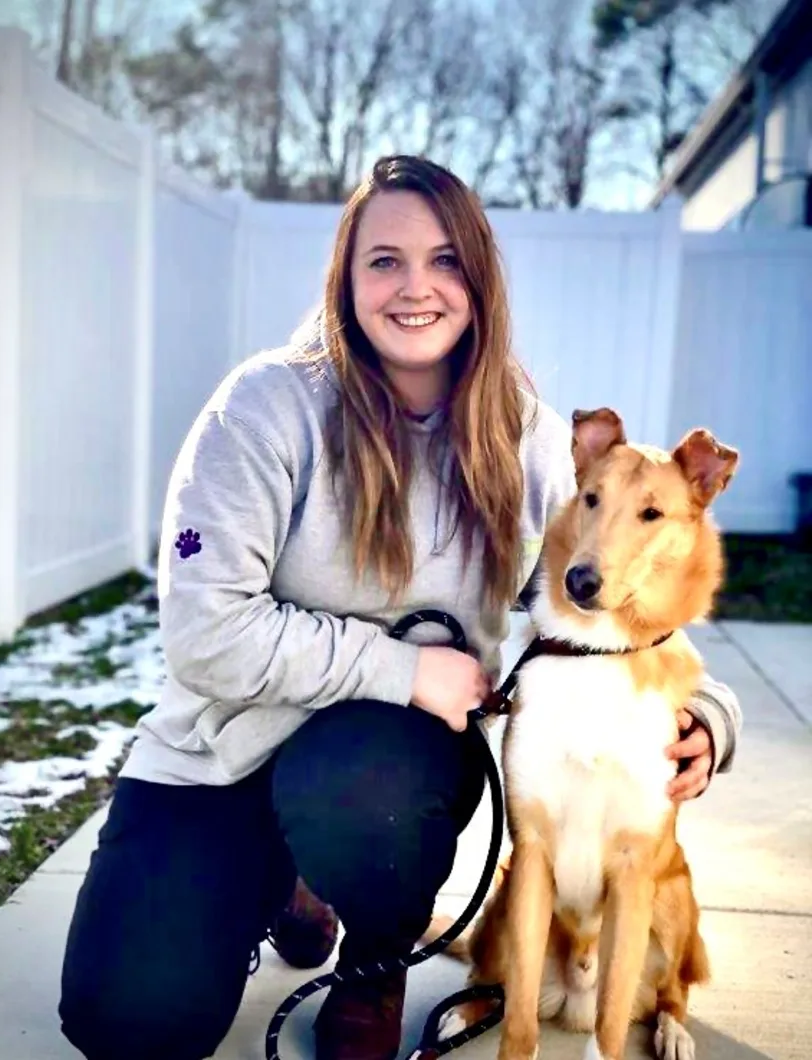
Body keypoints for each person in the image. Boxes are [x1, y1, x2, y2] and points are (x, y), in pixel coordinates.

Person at [58, 155, 741, 1060]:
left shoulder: (528, 438)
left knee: (367, 791)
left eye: (446, 259)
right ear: (346, 276)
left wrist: (707, 713)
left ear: (480, 278)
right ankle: (291, 886)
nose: (416, 287)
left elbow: (604, 591)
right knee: (129, 1022)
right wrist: (402, 667)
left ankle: (372, 955)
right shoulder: (263, 409)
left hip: (380, 773)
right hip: (223, 753)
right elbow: (203, 634)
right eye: (385, 260)